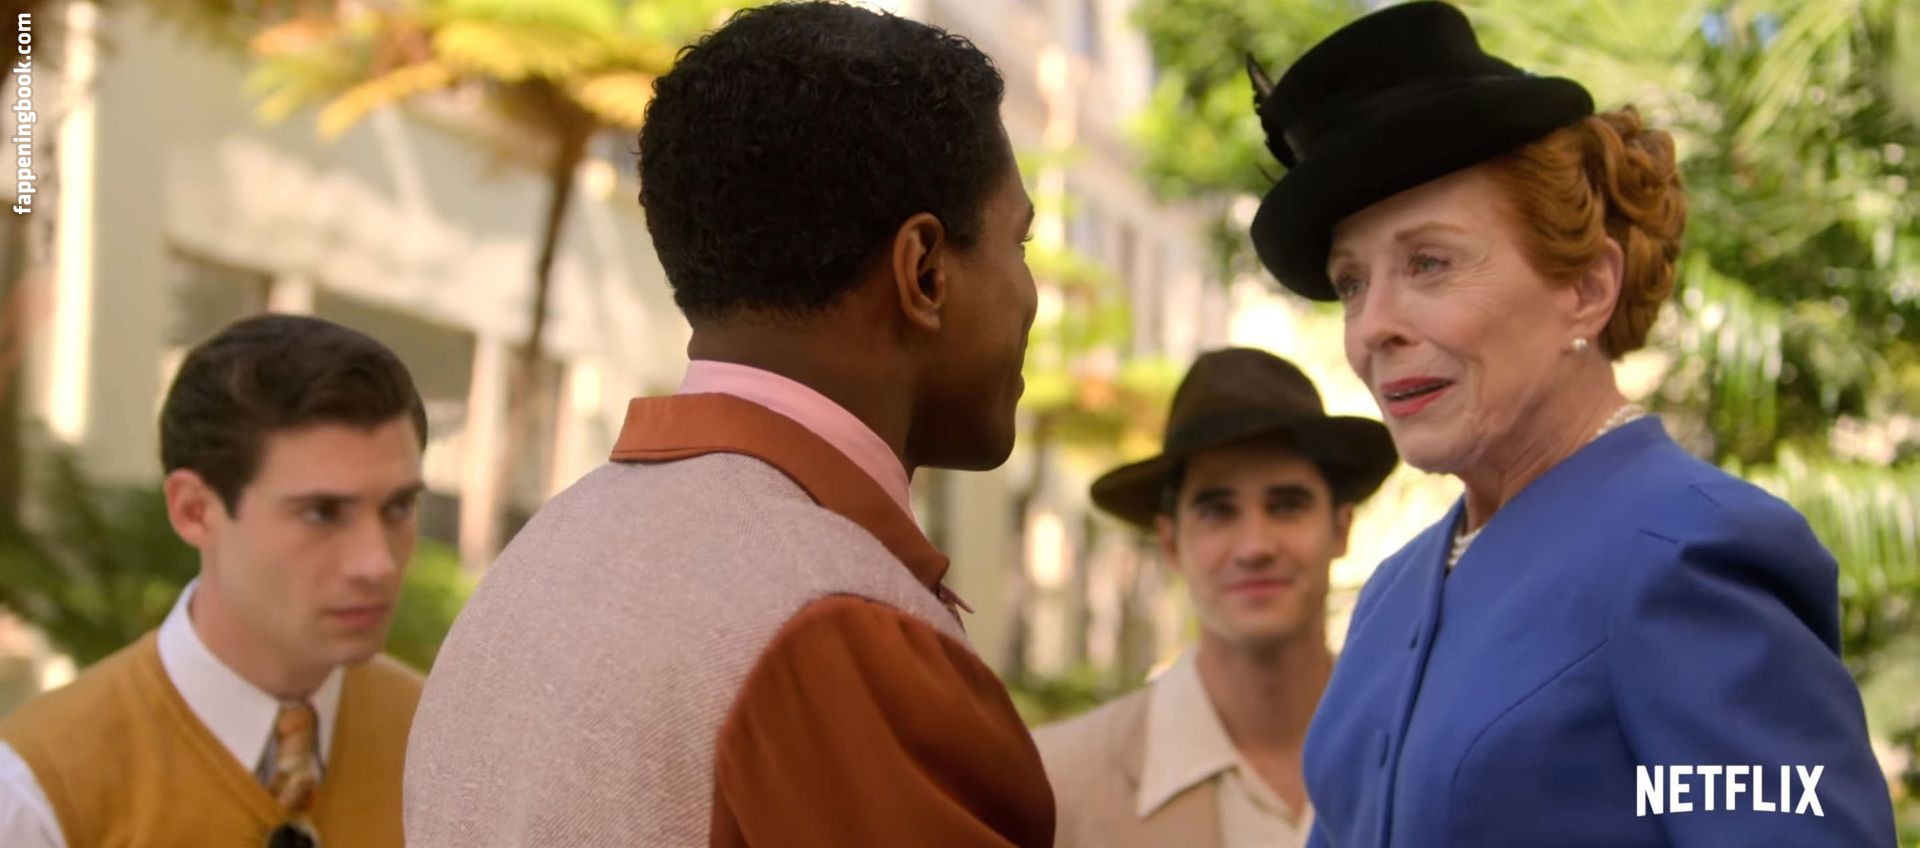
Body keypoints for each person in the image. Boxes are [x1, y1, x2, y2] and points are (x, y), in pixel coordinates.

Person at [1241, 3, 1898, 845]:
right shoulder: (1391, 595)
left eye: (1429, 262)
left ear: (1586, 288)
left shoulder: (1684, 557)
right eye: (1353, 283)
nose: (1373, 327)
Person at [402, 4, 1052, 846]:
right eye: (1019, 245)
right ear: (923, 271)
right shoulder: (836, 626)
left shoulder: (529, 567)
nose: (1031, 297)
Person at [0, 314, 430, 847]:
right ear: (194, 511)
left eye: (398, 507)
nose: (377, 563)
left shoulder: (446, 743)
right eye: (322, 513)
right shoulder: (40, 793)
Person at [1034, 348, 1396, 848]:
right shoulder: (1059, 785)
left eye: (1287, 506)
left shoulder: (1421, 754)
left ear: (1341, 528)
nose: (1255, 547)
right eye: (1217, 511)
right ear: (1171, 543)